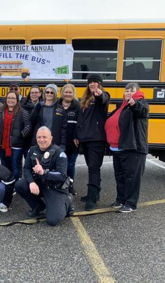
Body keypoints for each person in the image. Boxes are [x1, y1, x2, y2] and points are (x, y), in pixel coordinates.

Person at [15, 126, 74, 226]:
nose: (41, 140)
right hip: (40, 184)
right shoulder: (32, 150)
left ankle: (67, 201)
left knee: (53, 221)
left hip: (55, 188)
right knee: (20, 185)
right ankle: (38, 206)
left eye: (44, 137)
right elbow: (27, 169)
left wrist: (44, 173)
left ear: (51, 138)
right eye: (39, 137)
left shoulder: (59, 153)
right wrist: (32, 182)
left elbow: (62, 176)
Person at [105, 82, 148, 213]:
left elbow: (142, 111)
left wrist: (134, 103)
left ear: (137, 92)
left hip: (132, 148)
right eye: (126, 90)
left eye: (131, 90)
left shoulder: (140, 103)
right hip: (118, 148)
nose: (128, 92)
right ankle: (121, 199)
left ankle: (130, 203)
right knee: (120, 175)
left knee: (131, 177)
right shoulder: (122, 106)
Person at [74, 74, 110, 211]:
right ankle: (95, 194)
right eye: (90, 82)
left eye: (96, 82)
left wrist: (99, 94)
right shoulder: (85, 100)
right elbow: (80, 120)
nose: (93, 84)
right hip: (85, 139)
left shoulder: (103, 96)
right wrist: (77, 135)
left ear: (100, 84)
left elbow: (104, 99)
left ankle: (91, 199)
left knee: (94, 169)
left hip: (97, 139)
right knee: (91, 167)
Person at [0, 91, 32, 182]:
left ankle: (15, 183)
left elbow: (28, 125)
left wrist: (21, 135)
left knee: (15, 165)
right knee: (4, 164)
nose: (10, 100)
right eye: (9, 98)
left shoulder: (23, 112)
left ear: (17, 100)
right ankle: (6, 181)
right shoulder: (0, 112)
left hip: (16, 145)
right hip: (2, 143)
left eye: (13, 98)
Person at [30, 84, 67, 149]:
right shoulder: (39, 107)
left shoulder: (60, 109)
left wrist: (63, 144)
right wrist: (36, 109)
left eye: (52, 92)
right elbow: (32, 121)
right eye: (47, 92)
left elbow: (63, 128)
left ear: (55, 94)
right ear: (44, 93)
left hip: (54, 142)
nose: (49, 94)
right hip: (40, 141)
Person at [59, 84, 80, 195]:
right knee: (58, 165)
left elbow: (80, 124)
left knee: (70, 165)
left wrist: (77, 136)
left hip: (72, 142)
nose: (68, 94)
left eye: (70, 92)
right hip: (58, 141)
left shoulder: (78, 106)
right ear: (62, 93)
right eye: (66, 92)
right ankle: (58, 185)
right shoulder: (57, 105)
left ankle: (69, 185)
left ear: (73, 94)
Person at [21, 85, 43, 157]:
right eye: (32, 93)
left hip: (40, 137)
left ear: (40, 94)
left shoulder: (44, 106)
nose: (34, 94)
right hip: (27, 139)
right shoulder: (24, 106)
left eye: (36, 92)